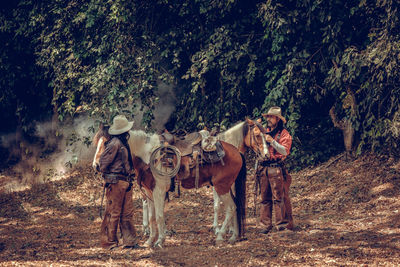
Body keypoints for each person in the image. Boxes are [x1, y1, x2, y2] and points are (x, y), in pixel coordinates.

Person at [98, 115, 139, 249]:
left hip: (125, 182)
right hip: (116, 182)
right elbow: (102, 162)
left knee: (127, 213)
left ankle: (130, 242)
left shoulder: (122, 143)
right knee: (113, 213)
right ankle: (109, 242)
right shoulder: (115, 143)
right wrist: (108, 177)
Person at [257, 106, 294, 234]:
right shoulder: (264, 131)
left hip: (276, 168)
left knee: (279, 198)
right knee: (264, 198)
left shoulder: (284, 134)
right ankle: (265, 225)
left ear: (277, 119)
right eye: (268, 117)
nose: (268, 119)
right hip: (264, 169)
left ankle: (281, 226)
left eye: (271, 117)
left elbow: (285, 151)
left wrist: (272, 141)